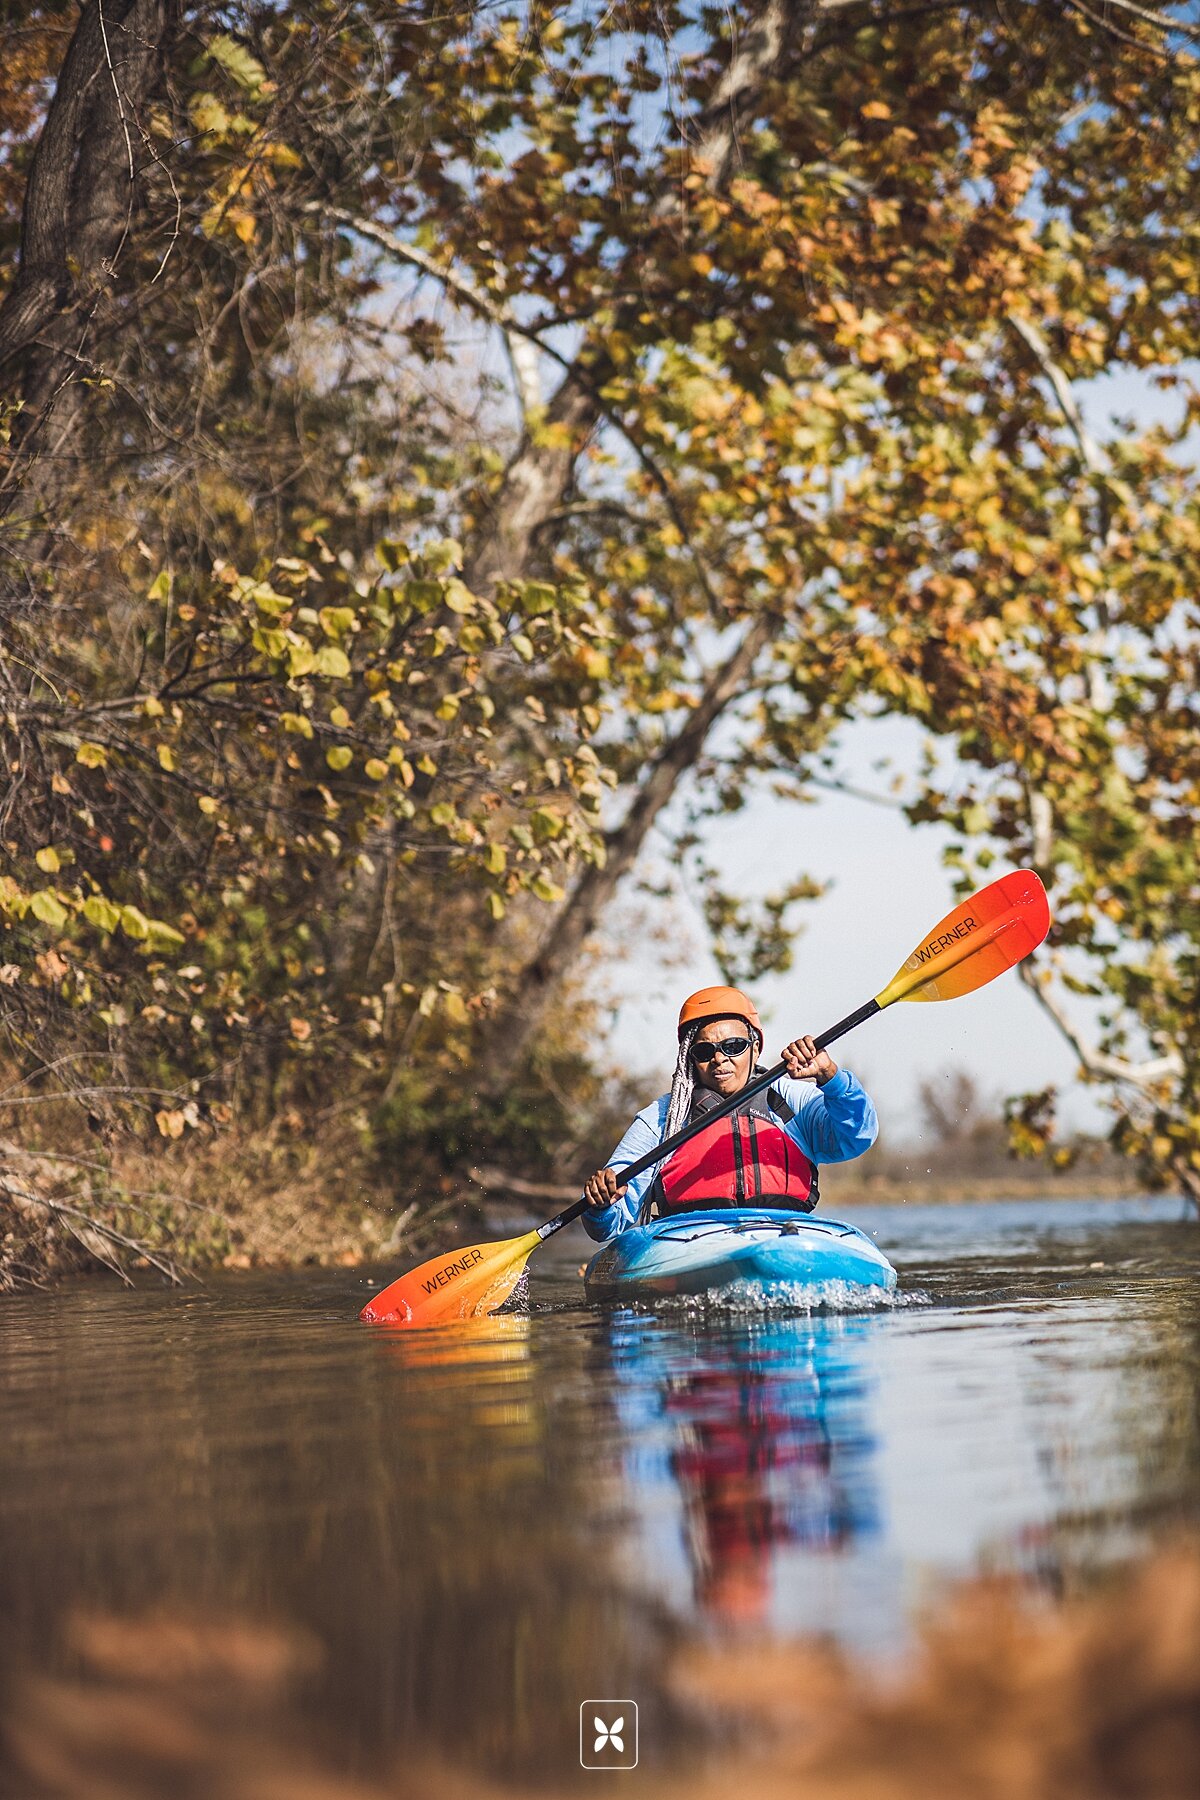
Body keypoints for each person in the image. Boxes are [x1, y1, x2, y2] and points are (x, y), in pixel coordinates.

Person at [581, 984, 877, 1240]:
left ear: (756, 1047)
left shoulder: (791, 1100)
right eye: (704, 1052)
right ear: (689, 1057)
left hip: (785, 1234)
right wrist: (600, 1204)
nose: (720, 1059)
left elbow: (857, 1136)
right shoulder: (663, 1119)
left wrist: (831, 1077)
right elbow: (609, 1224)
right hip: (687, 1242)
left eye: (733, 1046)